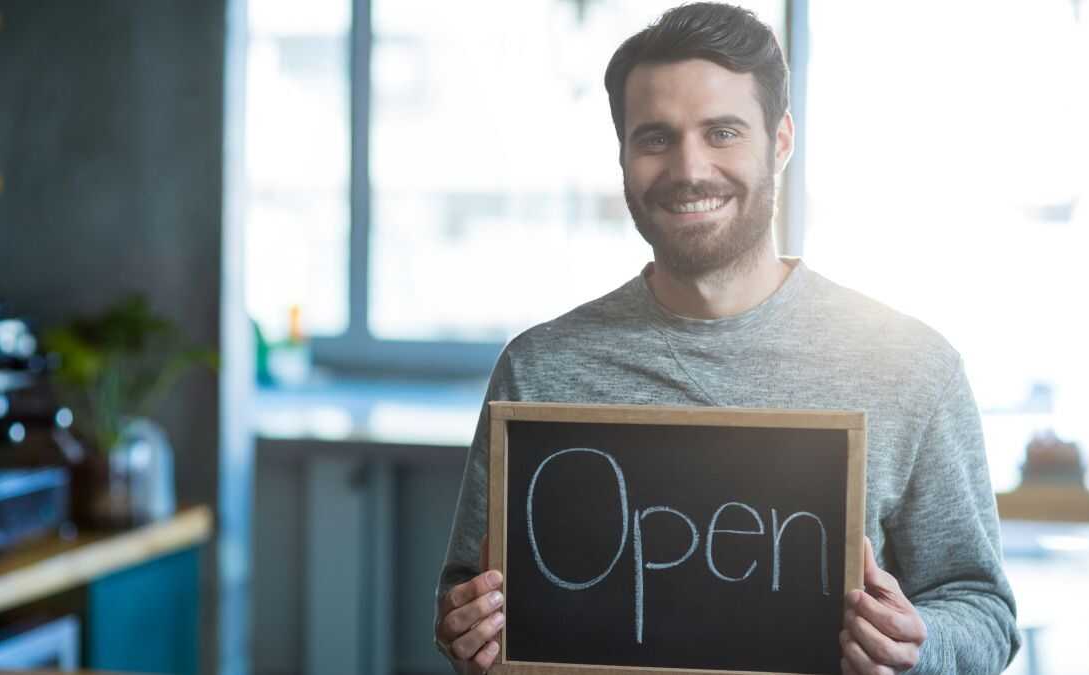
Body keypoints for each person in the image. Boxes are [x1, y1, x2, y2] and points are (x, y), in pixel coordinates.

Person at [433, 3, 1020, 674]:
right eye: (656, 138)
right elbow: (467, 594)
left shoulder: (911, 367)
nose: (689, 168)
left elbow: (983, 611)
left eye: (722, 132)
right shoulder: (540, 369)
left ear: (781, 140)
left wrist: (917, 644)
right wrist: (466, 629)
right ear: (623, 156)